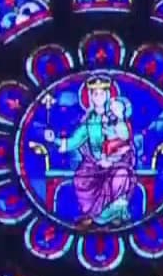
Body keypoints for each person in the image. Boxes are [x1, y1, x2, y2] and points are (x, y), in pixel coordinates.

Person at [44, 74, 138, 228]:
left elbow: (126, 142)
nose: (99, 97)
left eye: (102, 93)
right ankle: (94, 214)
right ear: (90, 97)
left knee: (122, 175)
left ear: (109, 95)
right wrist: (53, 139)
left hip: (117, 163)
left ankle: (112, 214)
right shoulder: (88, 123)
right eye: (95, 94)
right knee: (81, 179)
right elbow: (72, 142)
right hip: (93, 165)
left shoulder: (118, 119)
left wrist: (112, 160)